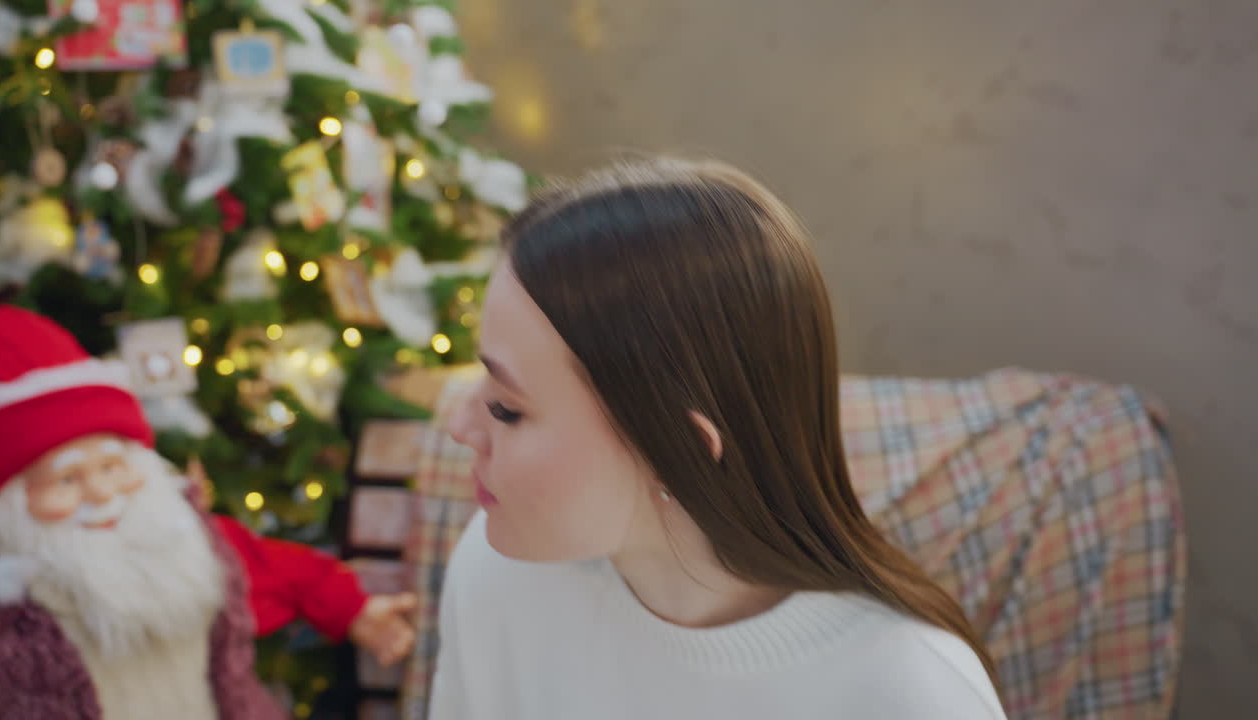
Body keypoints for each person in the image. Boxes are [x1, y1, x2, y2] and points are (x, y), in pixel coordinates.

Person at [430, 158, 1008, 719]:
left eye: (507, 409)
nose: (460, 426)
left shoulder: (912, 692)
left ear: (677, 449)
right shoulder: (499, 574)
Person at [0, 305, 415, 720]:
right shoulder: (8, 611)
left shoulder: (186, 545)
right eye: (67, 480)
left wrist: (353, 610)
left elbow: (278, 570)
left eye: (112, 466)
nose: (102, 493)